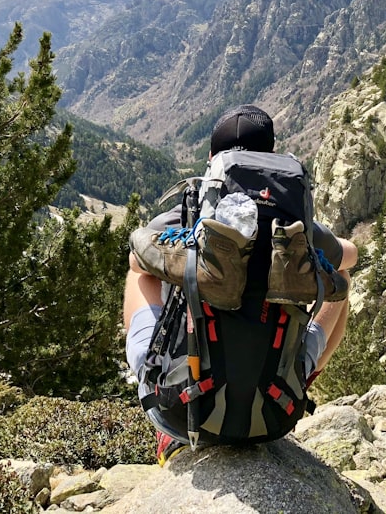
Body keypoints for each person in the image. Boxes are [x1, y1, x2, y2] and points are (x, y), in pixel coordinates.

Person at [122, 104, 358, 461]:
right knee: (340, 277)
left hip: (181, 413)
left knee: (139, 272)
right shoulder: (293, 219)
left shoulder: (192, 208)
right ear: (272, 156)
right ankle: (297, 380)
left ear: (212, 158)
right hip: (276, 414)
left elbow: (137, 257)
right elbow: (351, 253)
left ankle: (164, 389)